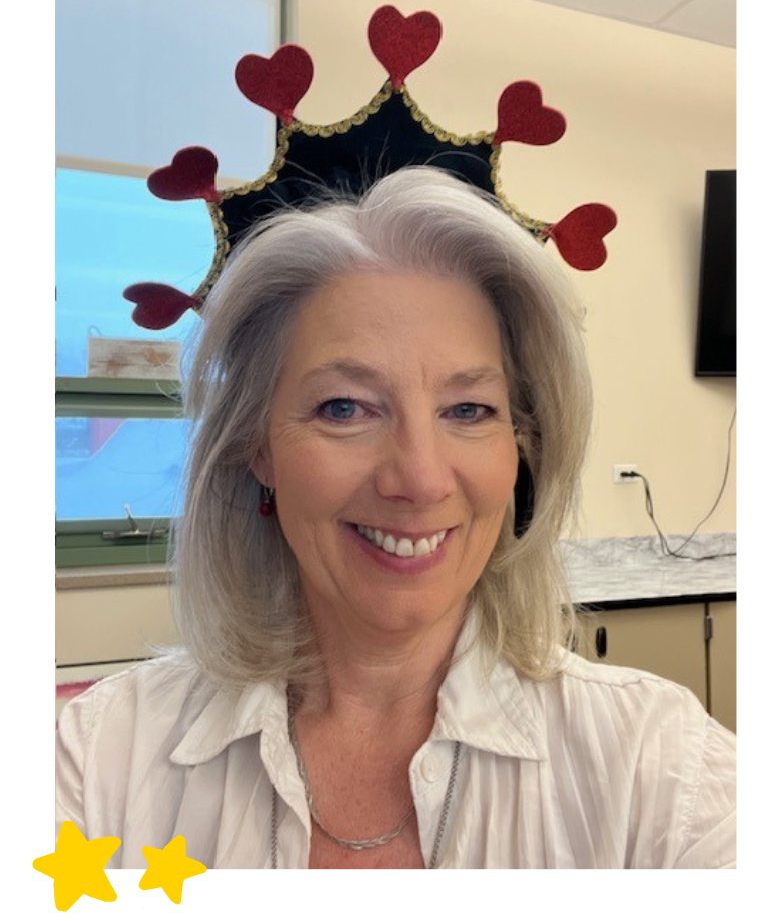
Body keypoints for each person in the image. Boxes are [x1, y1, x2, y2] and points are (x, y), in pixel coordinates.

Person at [56, 167, 735, 869]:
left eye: (468, 410)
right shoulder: (104, 759)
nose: (419, 479)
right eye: (344, 407)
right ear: (258, 445)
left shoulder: (660, 770)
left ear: (521, 444)